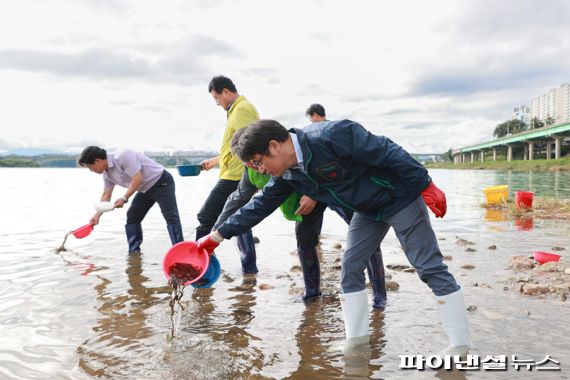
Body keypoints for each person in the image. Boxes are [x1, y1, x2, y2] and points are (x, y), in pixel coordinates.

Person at [197, 119, 471, 356]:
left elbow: (386, 150)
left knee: (429, 267)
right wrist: (217, 236)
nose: (259, 170)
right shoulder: (289, 174)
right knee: (350, 269)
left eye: (258, 162)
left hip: (400, 199)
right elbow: (259, 205)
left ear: (274, 146)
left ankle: (459, 346)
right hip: (367, 211)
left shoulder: (332, 135)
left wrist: (426, 184)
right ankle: (357, 341)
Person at [214, 131, 387, 306]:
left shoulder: (280, 150)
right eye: (247, 163)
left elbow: (309, 165)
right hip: (303, 201)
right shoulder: (251, 170)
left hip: (331, 189)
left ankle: (380, 297)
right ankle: (312, 294)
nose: (254, 167)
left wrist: (311, 194)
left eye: (254, 161)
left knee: (364, 233)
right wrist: (217, 230)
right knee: (304, 237)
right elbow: (244, 200)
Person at [196, 75, 260, 273]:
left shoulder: (242, 110)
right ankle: (249, 270)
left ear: (226, 92)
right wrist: (215, 161)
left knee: (206, 217)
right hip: (232, 172)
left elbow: (247, 145)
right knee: (240, 221)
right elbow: (234, 147)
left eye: (216, 98)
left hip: (236, 176)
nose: (216, 103)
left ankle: (198, 265)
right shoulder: (235, 110)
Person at [78, 146, 184, 253]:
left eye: (90, 167)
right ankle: (134, 252)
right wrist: (97, 216)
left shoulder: (122, 155)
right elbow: (106, 195)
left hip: (161, 182)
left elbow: (138, 178)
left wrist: (124, 198)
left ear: (98, 161)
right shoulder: (107, 175)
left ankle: (180, 250)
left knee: (171, 217)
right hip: (145, 189)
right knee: (132, 216)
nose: (91, 170)